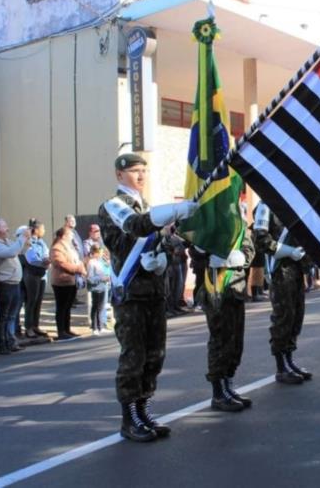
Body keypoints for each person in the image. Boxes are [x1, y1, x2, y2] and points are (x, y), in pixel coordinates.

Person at [99, 152, 198, 443]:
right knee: (134, 355)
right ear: (119, 175)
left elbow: (164, 242)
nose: (141, 175)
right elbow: (136, 227)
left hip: (154, 292)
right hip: (131, 294)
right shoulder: (113, 206)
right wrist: (174, 210)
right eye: (134, 171)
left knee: (155, 355)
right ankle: (129, 418)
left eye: (144, 170)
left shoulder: (149, 208)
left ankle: (144, 410)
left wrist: (166, 254)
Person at [252, 201, 313, 383]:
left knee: (296, 315)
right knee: (283, 317)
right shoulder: (265, 206)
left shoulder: (292, 200)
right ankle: (281, 366)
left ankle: (289, 359)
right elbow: (261, 240)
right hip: (280, 268)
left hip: (296, 266)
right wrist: (288, 251)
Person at [199, 230, 256, 411]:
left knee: (235, 342)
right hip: (216, 288)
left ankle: (228, 386)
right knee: (220, 340)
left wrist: (234, 258)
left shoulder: (238, 222)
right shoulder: (209, 218)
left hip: (236, 288)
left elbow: (249, 250)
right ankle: (218, 393)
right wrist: (206, 255)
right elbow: (196, 247)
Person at [0, 219, 31, 355]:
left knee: (11, 315)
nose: (8, 229)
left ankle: (10, 341)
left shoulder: (6, 242)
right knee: (3, 315)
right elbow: (11, 252)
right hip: (3, 284)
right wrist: (22, 237)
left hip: (14, 283)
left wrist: (26, 238)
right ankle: (1, 344)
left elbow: (19, 249)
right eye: (4, 227)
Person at [50, 227, 87, 339]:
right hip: (61, 281)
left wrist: (81, 266)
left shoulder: (70, 247)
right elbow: (61, 263)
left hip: (71, 280)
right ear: (64, 236)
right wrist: (77, 269)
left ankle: (67, 329)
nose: (72, 236)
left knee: (68, 307)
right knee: (61, 307)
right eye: (70, 234)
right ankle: (61, 331)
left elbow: (76, 260)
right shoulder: (57, 248)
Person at [23, 219, 51, 338]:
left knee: (39, 301)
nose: (44, 231)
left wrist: (46, 260)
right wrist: (44, 262)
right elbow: (32, 259)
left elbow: (46, 254)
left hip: (42, 274)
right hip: (32, 274)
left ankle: (35, 325)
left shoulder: (42, 242)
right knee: (31, 301)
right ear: (36, 230)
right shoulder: (29, 242)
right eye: (42, 229)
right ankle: (28, 327)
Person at [86, 244, 110, 335]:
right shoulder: (91, 263)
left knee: (101, 307)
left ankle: (101, 326)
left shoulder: (99, 262)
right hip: (96, 288)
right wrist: (101, 279)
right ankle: (94, 327)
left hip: (102, 287)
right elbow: (90, 278)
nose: (100, 254)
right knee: (95, 307)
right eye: (99, 252)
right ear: (95, 252)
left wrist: (105, 278)